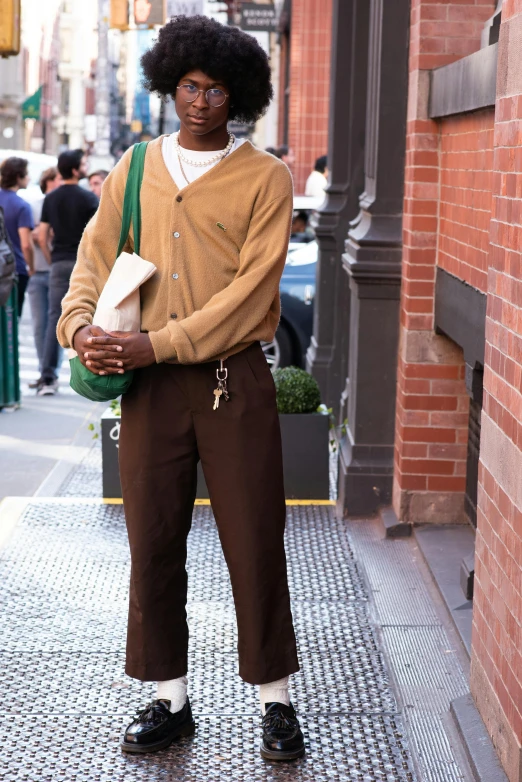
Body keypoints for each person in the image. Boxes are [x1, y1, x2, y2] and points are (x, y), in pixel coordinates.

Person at [57, 14, 305, 762]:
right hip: (150, 393)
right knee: (153, 541)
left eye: (216, 88)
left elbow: (251, 298)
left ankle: (276, 701)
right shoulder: (135, 168)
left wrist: (155, 342)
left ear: (239, 95)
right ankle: (170, 697)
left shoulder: (267, 178)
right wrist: (76, 327)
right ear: (170, 85)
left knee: (254, 541)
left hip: (235, 386)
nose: (200, 101)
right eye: (189, 85)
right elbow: (96, 259)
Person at [36, 149, 98, 396]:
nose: (84, 166)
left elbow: (42, 236)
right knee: (90, 317)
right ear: (75, 170)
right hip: (84, 264)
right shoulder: (89, 198)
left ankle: (47, 378)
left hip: (59, 263)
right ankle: (90, 374)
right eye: (82, 164)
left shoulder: (50, 198)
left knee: (55, 318)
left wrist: (53, 260)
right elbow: (98, 236)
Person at [26, 167, 61, 386]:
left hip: (56, 271)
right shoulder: (35, 206)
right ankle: (43, 369)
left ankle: (52, 371)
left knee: (56, 323)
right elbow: (28, 235)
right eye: (58, 179)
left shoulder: (62, 206)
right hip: (37, 271)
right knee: (40, 325)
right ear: (48, 181)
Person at [0, 157, 34, 316]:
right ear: (18, 176)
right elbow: (26, 244)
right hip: (14, 269)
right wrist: (31, 267)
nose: (29, 178)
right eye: (26, 174)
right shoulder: (22, 206)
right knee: (11, 321)